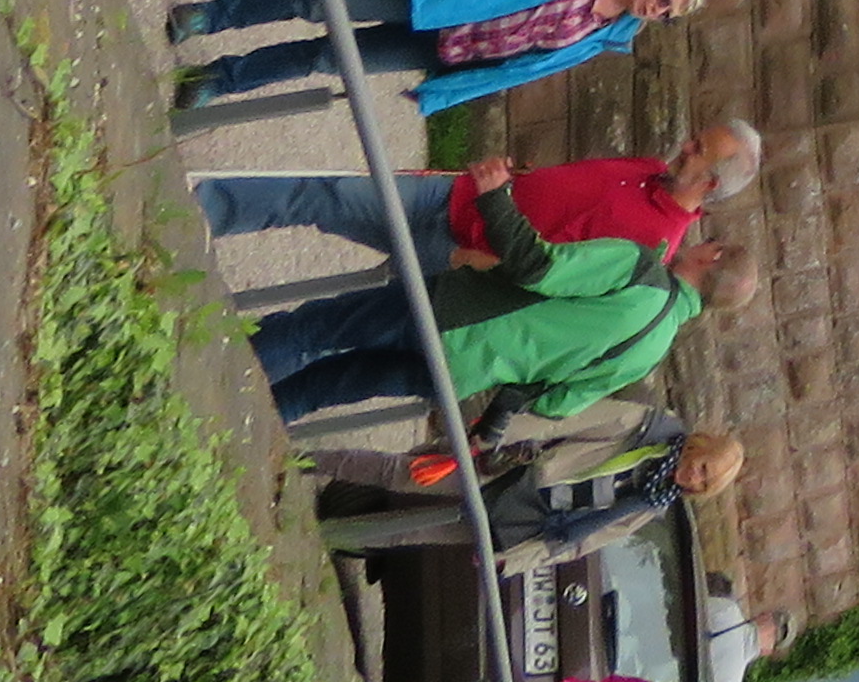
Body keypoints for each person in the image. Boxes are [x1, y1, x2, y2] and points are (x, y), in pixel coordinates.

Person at [247, 158, 754, 429]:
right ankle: (247, 422)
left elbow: (542, 269)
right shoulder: (650, 354)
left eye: (708, 244)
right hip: (465, 373)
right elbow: (557, 405)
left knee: (313, 329)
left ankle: (227, 366)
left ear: (710, 258)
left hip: (457, 313)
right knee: (330, 387)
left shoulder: (643, 267)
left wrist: (495, 198)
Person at [170, 0, 708, 115]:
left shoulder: (611, 37)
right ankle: (209, 16)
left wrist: (445, 93)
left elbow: (520, 71)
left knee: (325, 58)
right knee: (319, 4)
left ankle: (219, 79)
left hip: (448, 51)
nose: (656, 11)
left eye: (667, 15)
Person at [198, 123, 762, 268]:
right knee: (328, 196)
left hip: (460, 250)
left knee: (327, 208)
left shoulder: (655, 246)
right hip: (456, 194)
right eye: (694, 136)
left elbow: (557, 269)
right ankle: (210, 208)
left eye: (696, 150)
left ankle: (210, 212)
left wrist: (477, 263)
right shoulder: (647, 168)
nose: (683, 145)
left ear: (709, 185)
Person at [306, 425, 746, 563]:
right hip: (518, 472)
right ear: (701, 446)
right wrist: (502, 436)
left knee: (411, 535)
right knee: (403, 474)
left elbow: (587, 539)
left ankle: (322, 537)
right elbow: (579, 422)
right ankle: (308, 460)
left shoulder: (656, 503)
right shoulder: (655, 430)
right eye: (703, 468)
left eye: (703, 484)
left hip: (528, 521)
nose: (692, 478)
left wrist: (518, 558)